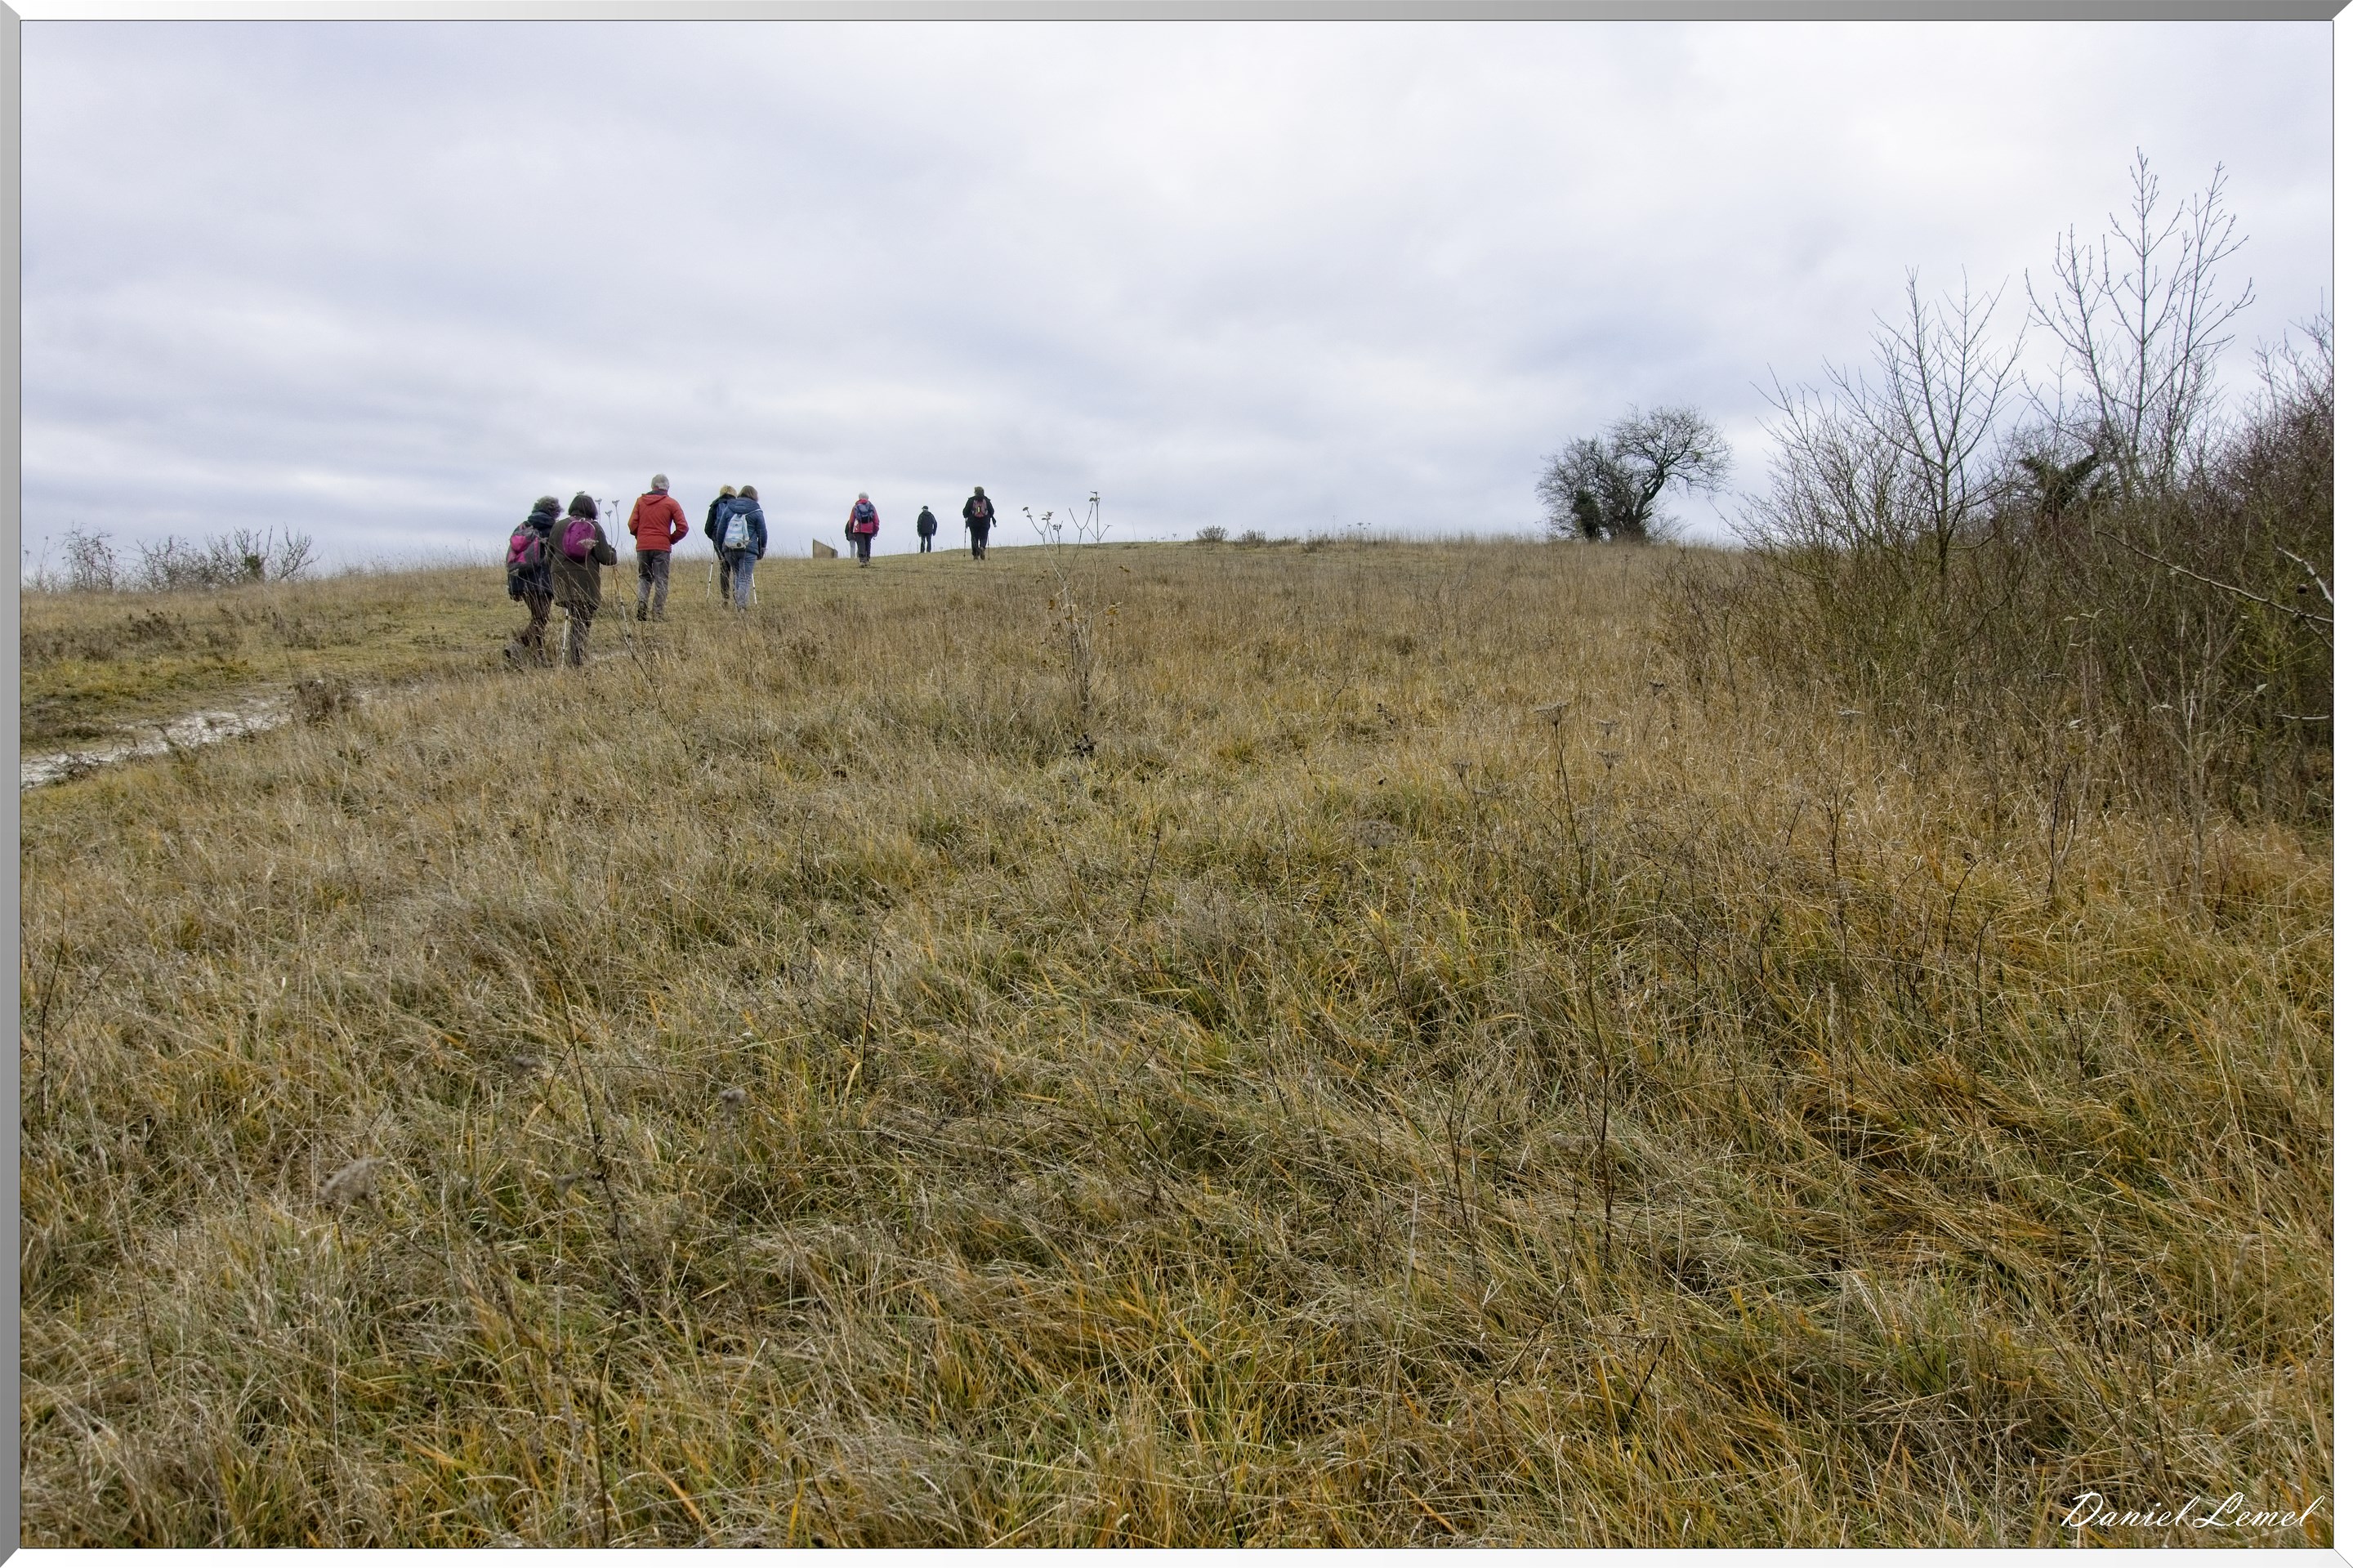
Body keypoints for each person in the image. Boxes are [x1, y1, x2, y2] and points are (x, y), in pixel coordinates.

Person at [549, 492, 618, 666]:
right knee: (582, 621)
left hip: (561, 580)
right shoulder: (594, 527)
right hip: (586, 581)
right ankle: (577, 660)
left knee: (575, 617)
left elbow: (549, 554)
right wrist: (613, 552)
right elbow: (605, 557)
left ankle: (574, 657)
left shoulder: (558, 527)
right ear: (592, 510)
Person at [504, 494, 562, 666]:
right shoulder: (552, 528)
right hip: (541, 580)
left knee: (538, 618)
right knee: (541, 618)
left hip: (520, 578)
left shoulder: (523, 526)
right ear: (554, 512)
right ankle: (517, 645)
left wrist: (513, 586)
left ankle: (539, 657)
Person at [627, 473, 690, 621]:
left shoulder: (640, 502)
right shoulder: (671, 503)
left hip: (643, 546)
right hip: (662, 547)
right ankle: (657, 613)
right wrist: (670, 540)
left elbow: (632, 525)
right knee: (661, 580)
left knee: (644, 577)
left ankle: (642, 605)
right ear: (667, 488)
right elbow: (683, 527)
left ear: (653, 486)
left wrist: (641, 536)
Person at [712, 484, 768, 608]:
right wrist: (761, 549)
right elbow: (762, 533)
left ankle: (738, 603)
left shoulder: (729, 507)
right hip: (748, 549)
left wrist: (722, 548)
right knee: (744, 578)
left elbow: (720, 530)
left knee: (738, 575)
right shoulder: (756, 511)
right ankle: (741, 607)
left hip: (730, 548)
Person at [704, 484, 738, 600]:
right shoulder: (739, 505)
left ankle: (725, 597)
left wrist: (715, 538)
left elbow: (707, 528)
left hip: (720, 541)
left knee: (724, 568)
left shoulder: (715, 505)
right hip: (737, 540)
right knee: (737, 568)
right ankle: (737, 595)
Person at [846, 493, 880, 566]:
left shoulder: (855, 507)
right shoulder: (872, 507)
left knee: (861, 544)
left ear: (859, 498)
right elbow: (876, 520)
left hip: (859, 529)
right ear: (868, 498)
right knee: (868, 543)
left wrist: (851, 530)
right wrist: (876, 529)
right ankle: (867, 560)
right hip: (869, 528)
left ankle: (862, 560)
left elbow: (851, 520)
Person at [962, 486, 995, 559]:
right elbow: (992, 511)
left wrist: (967, 516)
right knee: (984, 536)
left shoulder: (971, 500)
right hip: (984, 522)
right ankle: (982, 547)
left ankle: (975, 555)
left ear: (975, 492)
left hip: (973, 522)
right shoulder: (986, 500)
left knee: (974, 537)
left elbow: (965, 512)